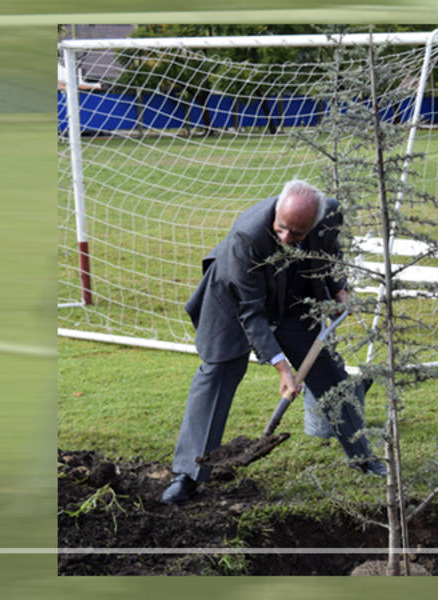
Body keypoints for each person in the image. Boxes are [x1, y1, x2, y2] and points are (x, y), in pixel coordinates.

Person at [160, 179, 385, 505]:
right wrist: (282, 368)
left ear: (314, 222)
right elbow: (251, 313)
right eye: (280, 229)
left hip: (292, 291)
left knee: (327, 369)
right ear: (276, 211)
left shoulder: (330, 214)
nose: (285, 238)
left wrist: (338, 287)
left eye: (296, 234)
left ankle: (364, 457)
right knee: (219, 372)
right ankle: (188, 475)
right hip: (233, 298)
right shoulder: (246, 235)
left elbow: (330, 251)